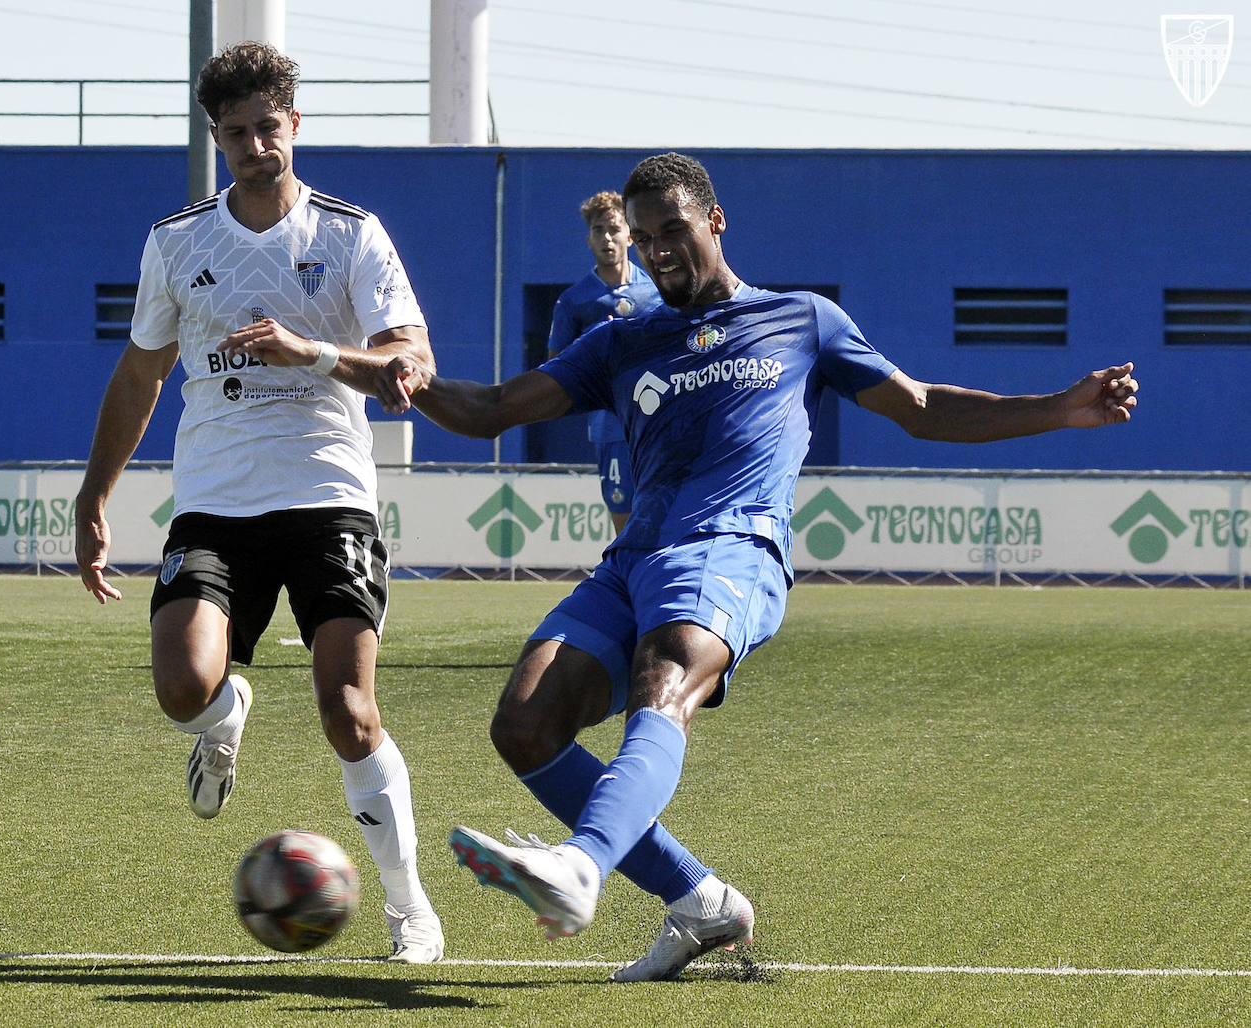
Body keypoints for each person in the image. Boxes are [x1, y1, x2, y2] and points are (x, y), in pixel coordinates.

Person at [227, 152, 1139, 982]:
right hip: (632, 559)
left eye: (673, 230)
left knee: (667, 676)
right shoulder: (625, 338)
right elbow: (496, 406)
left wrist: (1059, 408)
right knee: (525, 726)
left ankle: (580, 868)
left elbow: (925, 406)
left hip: (733, 548)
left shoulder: (801, 320)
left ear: (715, 222)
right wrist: (334, 359)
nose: (658, 251)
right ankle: (705, 905)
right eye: (646, 236)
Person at [74, 41, 444, 964]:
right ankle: (222, 719)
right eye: (234, 134)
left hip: (327, 496)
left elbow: (412, 368)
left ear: (295, 125)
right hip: (214, 507)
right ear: (216, 140)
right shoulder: (178, 241)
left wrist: (309, 353)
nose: (254, 146)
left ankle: (408, 910)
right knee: (181, 688)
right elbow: (140, 374)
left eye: (267, 128)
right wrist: (94, 497)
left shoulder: (351, 235)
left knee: (348, 710)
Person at [546, 191, 663, 534]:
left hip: (657, 419)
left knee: (661, 507)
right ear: (589, 239)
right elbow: (555, 366)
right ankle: (628, 581)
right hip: (610, 425)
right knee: (623, 513)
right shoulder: (574, 301)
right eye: (599, 230)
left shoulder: (656, 290)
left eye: (614, 229)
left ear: (630, 235)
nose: (607, 238)